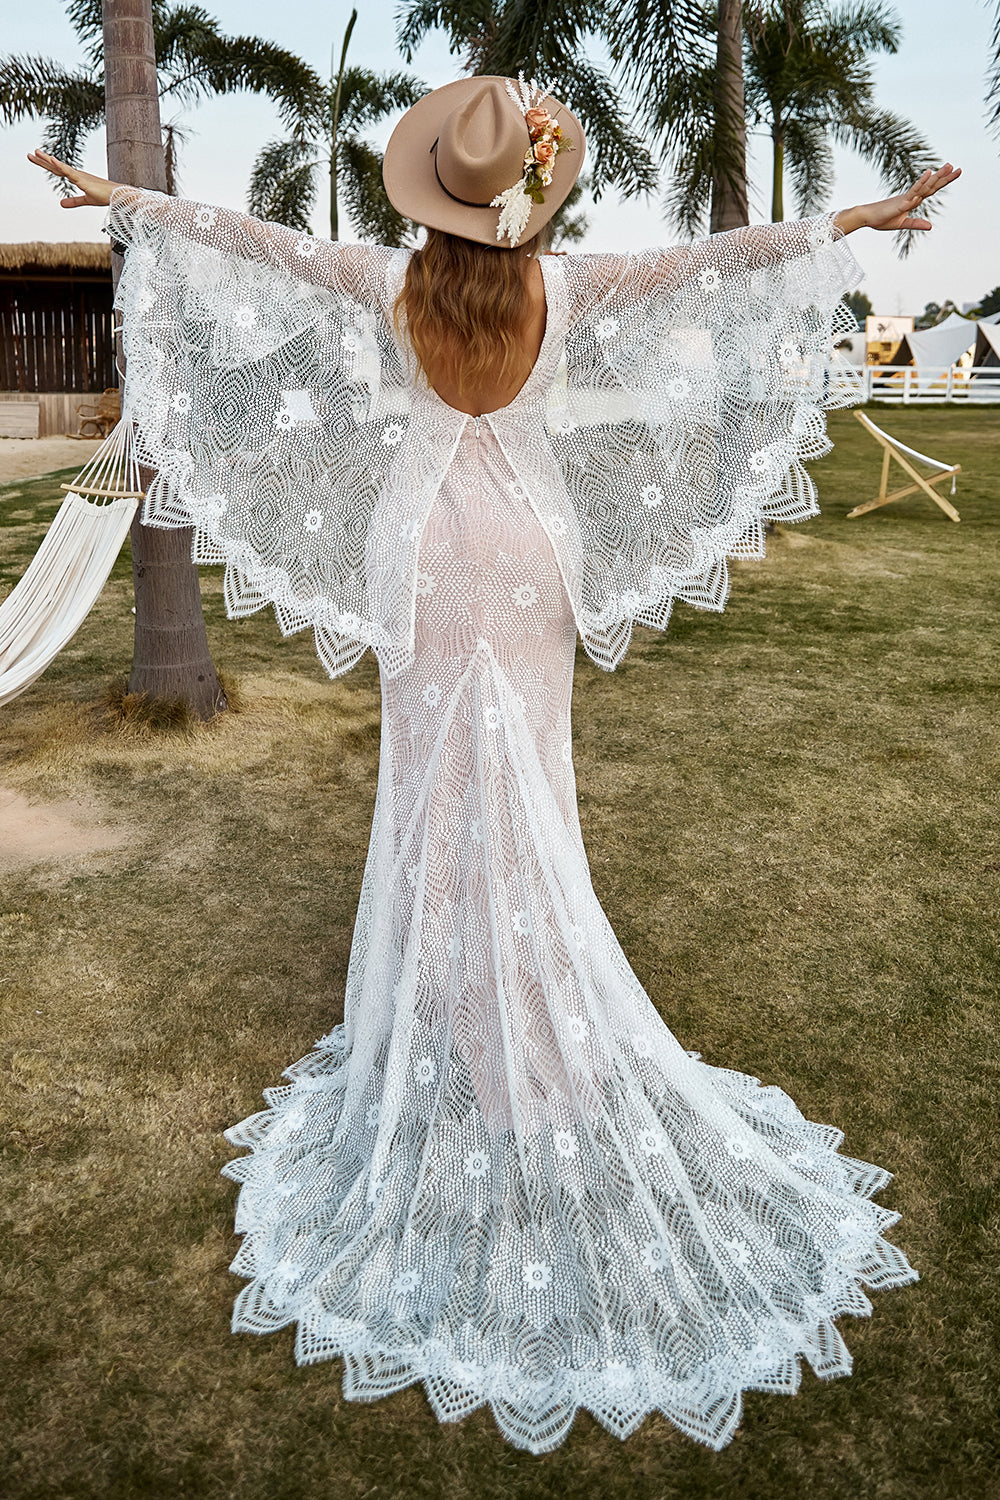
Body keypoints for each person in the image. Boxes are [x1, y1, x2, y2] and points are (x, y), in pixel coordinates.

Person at [28, 76, 958, 1456]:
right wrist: (861, 217)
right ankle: (524, 1027)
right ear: (525, 194)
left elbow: (242, 241)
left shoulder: (381, 280)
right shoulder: (567, 289)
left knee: (434, 790)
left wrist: (124, 201)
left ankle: (464, 1015)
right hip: (528, 561)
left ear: (433, 197)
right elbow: (722, 261)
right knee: (531, 791)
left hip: (426, 559)